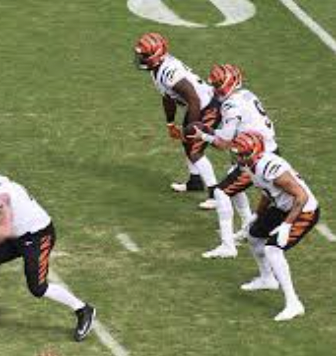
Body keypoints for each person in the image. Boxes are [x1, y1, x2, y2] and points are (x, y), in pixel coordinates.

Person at [0, 152, 95, 341]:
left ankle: (83, 309)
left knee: (37, 288)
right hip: (17, 234)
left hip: (37, 236)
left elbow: (3, 230)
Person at [188, 64, 278, 258]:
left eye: (219, 84)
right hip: (265, 149)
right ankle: (247, 227)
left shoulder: (230, 104)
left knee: (221, 192)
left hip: (257, 157)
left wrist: (204, 135)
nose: (216, 88)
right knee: (233, 186)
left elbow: (224, 142)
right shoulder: (246, 94)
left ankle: (228, 246)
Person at [231, 132, 319, 321]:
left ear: (255, 152)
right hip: (283, 206)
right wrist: (256, 215)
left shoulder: (269, 167)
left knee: (273, 249)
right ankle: (267, 278)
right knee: (254, 236)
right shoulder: (253, 166)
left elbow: (301, 196)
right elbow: (267, 191)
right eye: (238, 154)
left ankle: (293, 303)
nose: (239, 158)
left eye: (242, 154)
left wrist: (287, 225)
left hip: (304, 210)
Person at [134, 32, 220, 209]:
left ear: (156, 55)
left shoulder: (169, 72)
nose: (141, 58)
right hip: (197, 105)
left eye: (144, 55)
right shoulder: (157, 69)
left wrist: (192, 127)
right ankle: (195, 181)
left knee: (194, 149)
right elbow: (167, 97)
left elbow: (194, 98)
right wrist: (170, 123)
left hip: (207, 107)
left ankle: (215, 193)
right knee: (186, 142)